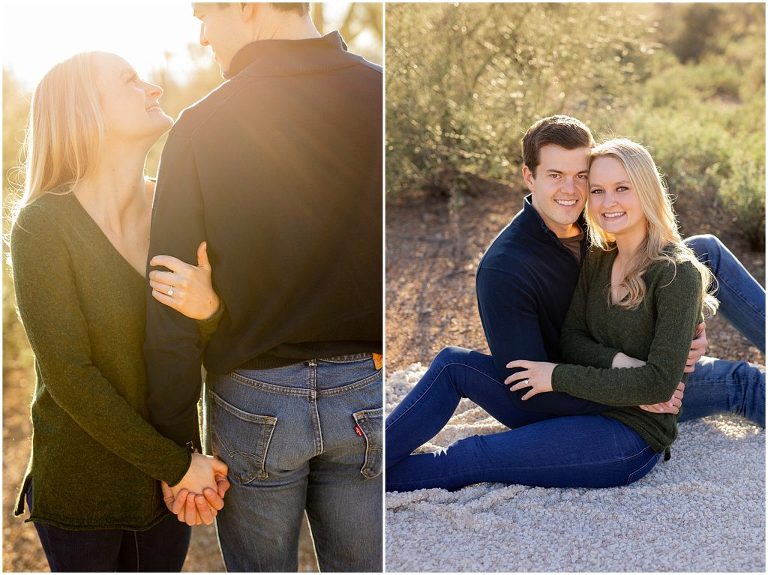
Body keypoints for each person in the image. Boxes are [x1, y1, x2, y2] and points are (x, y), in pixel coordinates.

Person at [385, 117, 765, 492]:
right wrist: (630, 382)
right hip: (564, 397)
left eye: (582, 177)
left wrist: (689, 326)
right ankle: (369, 469)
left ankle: (365, 477)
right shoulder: (508, 268)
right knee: (456, 373)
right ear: (528, 177)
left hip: (629, 407)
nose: (576, 191)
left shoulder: (598, 227)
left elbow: (667, 288)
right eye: (555, 176)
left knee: (708, 257)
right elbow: (553, 363)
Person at [144, 3, 382, 571]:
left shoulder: (201, 124)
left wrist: (180, 451)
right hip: (366, 394)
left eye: (205, 14)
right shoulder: (380, 95)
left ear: (248, 7)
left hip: (254, 401)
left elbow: (170, 299)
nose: (201, 36)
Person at [10, 51, 231, 572]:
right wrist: (178, 466)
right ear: (84, 112)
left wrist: (212, 309)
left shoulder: (178, 213)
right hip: (87, 490)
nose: (153, 87)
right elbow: (70, 376)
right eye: (131, 81)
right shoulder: (43, 227)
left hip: (170, 487)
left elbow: (219, 345)